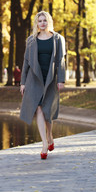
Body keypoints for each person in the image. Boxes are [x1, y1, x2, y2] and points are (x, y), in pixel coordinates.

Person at [20, 11, 66, 160]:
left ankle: (50, 135)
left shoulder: (58, 39)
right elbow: (26, 63)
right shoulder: (31, 40)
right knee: (39, 108)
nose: (42, 23)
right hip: (35, 79)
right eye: (40, 21)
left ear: (49, 22)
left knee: (48, 111)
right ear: (36, 23)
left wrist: (61, 79)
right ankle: (44, 143)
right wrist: (22, 82)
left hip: (51, 79)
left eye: (44, 20)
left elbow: (61, 61)